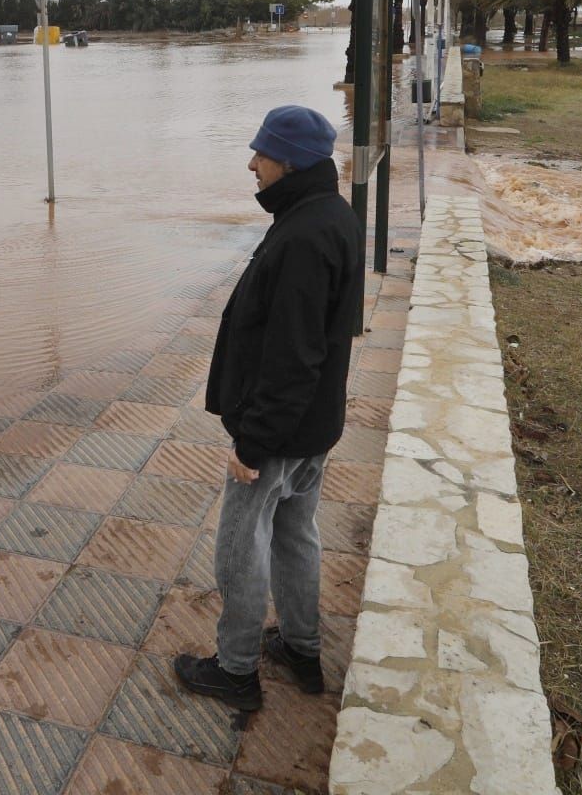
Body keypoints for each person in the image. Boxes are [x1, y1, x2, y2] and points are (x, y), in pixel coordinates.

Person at [174, 104, 361, 712]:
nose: (252, 165)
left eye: (262, 154)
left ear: (292, 161)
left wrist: (251, 444)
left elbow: (293, 356)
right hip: (314, 427)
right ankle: (302, 649)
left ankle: (234, 670)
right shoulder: (329, 214)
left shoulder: (305, 235)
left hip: (278, 433)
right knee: (296, 535)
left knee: (240, 544)